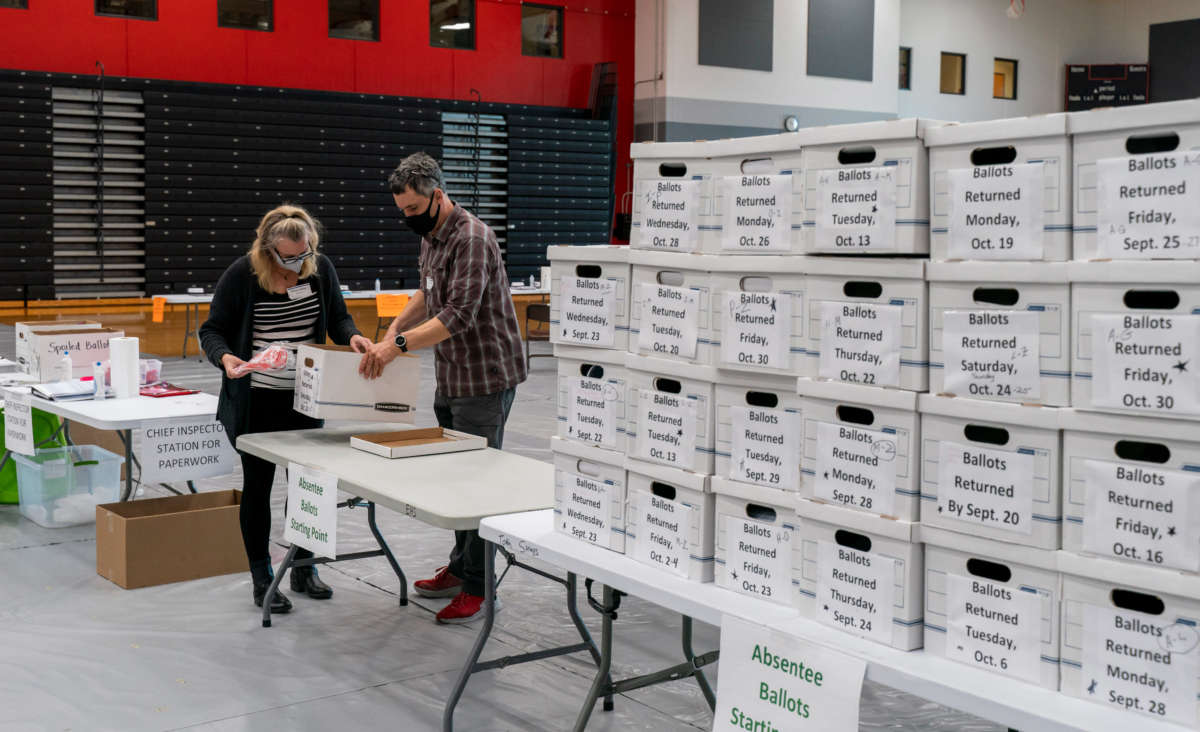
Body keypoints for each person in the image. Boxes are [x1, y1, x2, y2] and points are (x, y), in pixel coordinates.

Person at [359, 152, 527, 624]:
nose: (407, 219)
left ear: (437, 195)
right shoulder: (432, 235)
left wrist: (398, 347)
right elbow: (426, 292)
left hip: (485, 377)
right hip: (451, 375)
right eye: (402, 212)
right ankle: (460, 567)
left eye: (413, 209)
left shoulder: (472, 238)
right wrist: (394, 328)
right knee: (455, 481)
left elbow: (458, 314)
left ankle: (478, 586)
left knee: (477, 485)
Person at [201, 204, 372, 614]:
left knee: (307, 486)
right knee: (258, 489)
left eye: (306, 253)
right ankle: (262, 577)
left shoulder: (320, 268)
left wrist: (354, 339)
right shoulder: (242, 275)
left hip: (305, 399)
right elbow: (212, 330)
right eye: (289, 256)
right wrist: (226, 359)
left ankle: (303, 566)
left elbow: (339, 320)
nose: (299, 263)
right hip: (256, 404)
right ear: (267, 250)